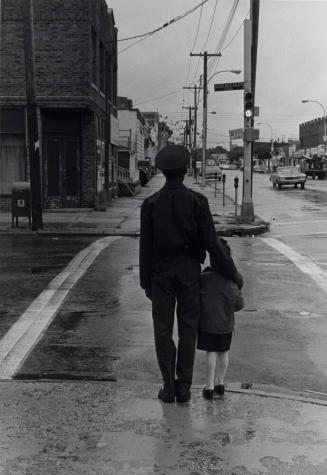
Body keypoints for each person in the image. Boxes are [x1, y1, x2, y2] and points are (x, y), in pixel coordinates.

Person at [139, 144, 243, 404]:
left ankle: (168, 388)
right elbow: (212, 244)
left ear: (163, 172)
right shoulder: (198, 201)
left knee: (162, 331)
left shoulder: (150, 204)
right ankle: (184, 387)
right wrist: (232, 273)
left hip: (160, 273)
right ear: (186, 170)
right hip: (188, 272)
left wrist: (146, 284)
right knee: (188, 330)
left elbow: (145, 248)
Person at [198, 244, 242, 400]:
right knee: (223, 353)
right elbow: (239, 304)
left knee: (211, 352)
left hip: (208, 323)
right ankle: (220, 383)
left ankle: (209, 387)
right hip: (226, 324)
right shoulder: (233, 280)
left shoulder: (204, 278)